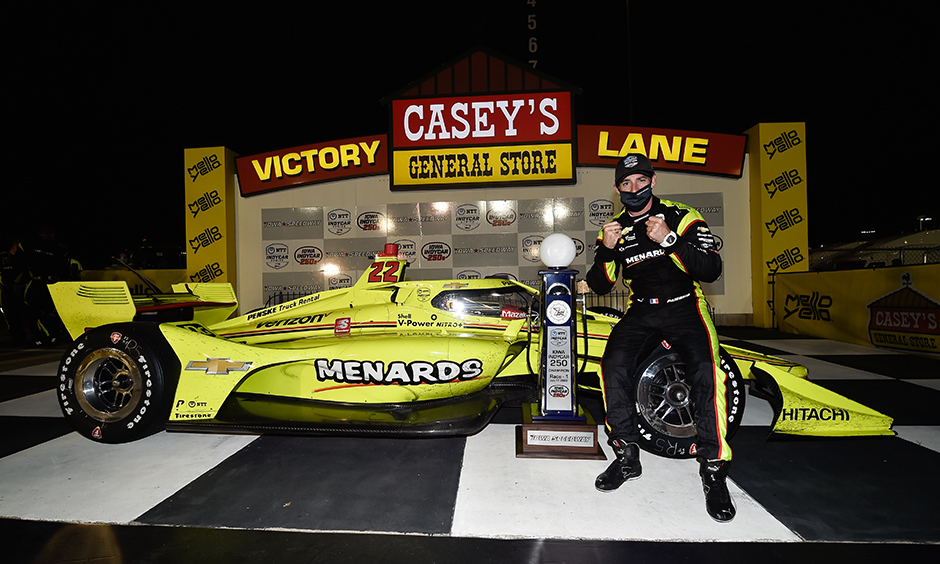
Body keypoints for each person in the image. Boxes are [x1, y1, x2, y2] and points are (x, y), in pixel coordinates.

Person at [585, 153, 735, 522]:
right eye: (626, 183)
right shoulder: (614, 228)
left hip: (686, 306)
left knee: (706, 372)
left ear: (653, 181)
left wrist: (669, 239)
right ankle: (626, 454)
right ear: (617, 188)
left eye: (640, 180)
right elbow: (600, 285)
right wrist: (607, 248)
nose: (634, 188)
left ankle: (713, 469)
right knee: (612, 365)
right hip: (642, 310)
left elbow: (711, 269)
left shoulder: (681, 216)